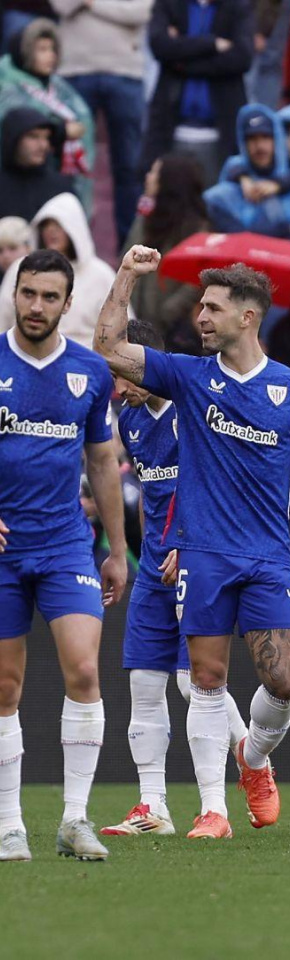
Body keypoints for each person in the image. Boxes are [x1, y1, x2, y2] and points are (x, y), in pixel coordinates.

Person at [94, 248, 290, 840]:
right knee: (203, 678)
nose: (200, 316)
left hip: (270, 556)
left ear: (247, 318)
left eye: (213, 308)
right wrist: (125, 275)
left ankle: (252, 757)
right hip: (202, 554)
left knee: (284, 683)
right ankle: (212, 813)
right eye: (199, 306)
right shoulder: (189, 377)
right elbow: (108, 347)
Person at [0, 249, 127, 862]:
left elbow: (103, 460)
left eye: (50, 297)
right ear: (15, 293)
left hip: (64, 544)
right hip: (2, 552)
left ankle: (75, 820)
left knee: (83, 671)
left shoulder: (89, 371)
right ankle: (8, 824)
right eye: (28, 293)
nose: (36, 306)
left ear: (67, 304)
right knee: (5, 687)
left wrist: (118, 548)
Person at [100, 318, 248, 838]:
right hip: (154, 568)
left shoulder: (195, 409)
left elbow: (220, 487)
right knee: (143, 685)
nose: (119, 387)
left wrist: (189, 542)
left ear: (152, 367)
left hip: (200, 560)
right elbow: (149, 493)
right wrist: (137, 555)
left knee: (193, 684)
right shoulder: (131, 420)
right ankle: (152, 807)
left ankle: (247, 764)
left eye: (126, 375)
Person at [50, 0, 152, 248]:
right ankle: (70, 247)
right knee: (71, 165)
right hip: (74, 69)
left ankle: (130, 249)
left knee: (129, 166)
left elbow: (142, 11)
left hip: (125, 72)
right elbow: (60, 5)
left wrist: (92, 4)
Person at [141, 0, 253, 187]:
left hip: (221, 134)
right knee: (170, 204)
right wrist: (211, 44)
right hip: (171, 131)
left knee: (217, 208)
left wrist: (181, 61)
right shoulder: (168, 4)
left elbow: (242, 57)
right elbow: (160, 45)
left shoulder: (237, 6)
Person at [204, 103, 290, 250]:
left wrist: (276, 185)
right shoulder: (228, 191)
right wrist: (284, 230)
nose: (259, 146)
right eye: (251, 139)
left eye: (266, 137)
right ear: (242, 144)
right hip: (239, 271)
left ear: (277, 139)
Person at [0, 19, 94, 215]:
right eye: (42, 49)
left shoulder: (57, 85)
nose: (50, 56)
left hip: (51, 175)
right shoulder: (6, 83)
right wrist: (61, 131)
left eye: (52, 49)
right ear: (25, 52)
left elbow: (83, 119)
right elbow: (14, 122)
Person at [0, 192, 116, 348]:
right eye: (46, 225)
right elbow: (3, 319)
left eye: (59, 225)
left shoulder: (102, 275)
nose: (51, 231)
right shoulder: (21, 268)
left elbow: (119, 329)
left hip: (85, 361)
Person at [124, 154, 209, 340]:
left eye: (154, 172)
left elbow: (195, 280)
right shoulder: (145, 220)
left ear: (170, 180)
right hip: (135, 323)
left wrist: (168, 312)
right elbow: (126, 259)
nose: (148, 177)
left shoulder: (195, 228)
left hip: (174, 331)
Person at [0, 106, 74, 221]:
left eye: (47, 137)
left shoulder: (60, 188)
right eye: (33, 136)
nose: (43, 145)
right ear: (13, 139)